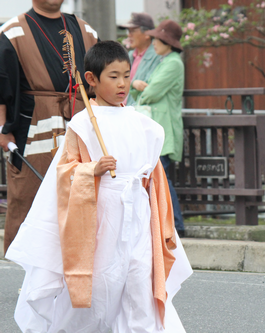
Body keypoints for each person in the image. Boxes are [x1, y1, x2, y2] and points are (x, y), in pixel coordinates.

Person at [6, 41, 192, 332]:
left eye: (126, 75)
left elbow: (153, 177)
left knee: (139, 278)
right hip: (100, 216)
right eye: (113, 76)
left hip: (138, 215)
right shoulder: (82, 125)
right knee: (100, 283)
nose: (122, 84)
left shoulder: (143, 124)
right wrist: (92, 168)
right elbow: (65, 173)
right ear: (91, 80)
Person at [0, 0, 98, 254]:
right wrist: (2, 128)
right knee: (29, 196)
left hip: (81, 121)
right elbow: (2, 87)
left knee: (82, 192)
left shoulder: (86, 30)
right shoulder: (13, 31)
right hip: (32, 125)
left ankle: (78, 262)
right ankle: (26, 264)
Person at [130, 20, 185, 236]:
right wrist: (138, 86)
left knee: (161, 177)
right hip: (159, 130)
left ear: (167, 42)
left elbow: (150, 93)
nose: (153, 43)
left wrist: (138, 86)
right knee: (159, 177)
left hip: (164, 131)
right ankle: (172, 224)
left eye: (157, 39)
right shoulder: (166, 61)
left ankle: (176, 225)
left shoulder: (172, 63)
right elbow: (142, 90)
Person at [119, 12, 161, 106]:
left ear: (147, 34)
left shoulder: (157, 56)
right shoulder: (130, 56)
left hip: (141, 113)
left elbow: (149, 88)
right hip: (123, 110)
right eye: (128, 31)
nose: (129, 35)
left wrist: (132, 83)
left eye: (132, 31)